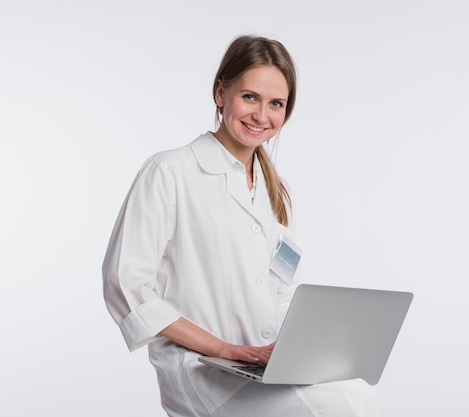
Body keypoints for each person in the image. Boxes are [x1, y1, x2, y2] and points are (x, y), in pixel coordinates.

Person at [102, 34, 380, 417]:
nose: (261, 116)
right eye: (250, 97)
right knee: (347, 404)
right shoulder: (170, 172)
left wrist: (299, 353)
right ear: (221, 93)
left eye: (276, 104)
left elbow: (281, 288)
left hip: (260, 365)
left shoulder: (275, 191)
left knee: (354, 389)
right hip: (202, 368)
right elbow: (125, 282)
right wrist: (221, 348)